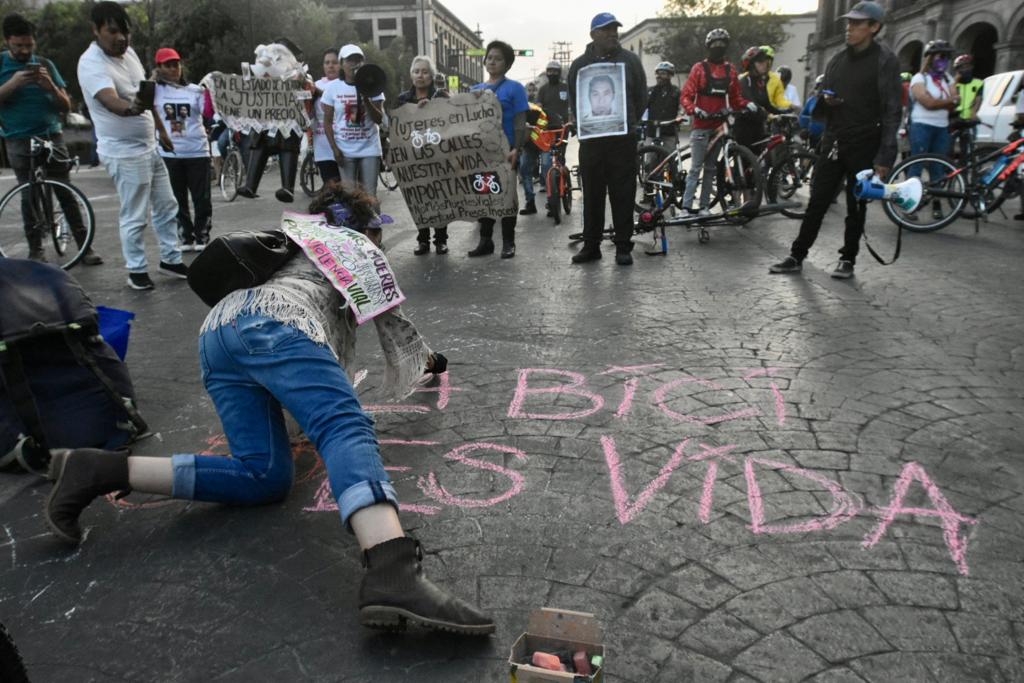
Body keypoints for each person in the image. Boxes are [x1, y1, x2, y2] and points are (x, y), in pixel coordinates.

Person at [42, 181, 495, 637]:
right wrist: (432, 361)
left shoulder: (297, 239)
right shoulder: (355, 246)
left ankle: (99, 470)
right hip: (277, 324)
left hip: (220, 332)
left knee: (264, 475)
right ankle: (393, 571)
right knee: (343, 424)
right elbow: (397, 327)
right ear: (368, 229)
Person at [769, 0, 901, 280]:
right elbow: (820, 102)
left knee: (856, 205)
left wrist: (885, 157)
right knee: (817, 200)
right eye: (848, 22)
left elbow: (892, 110)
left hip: (866, 142)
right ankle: (797, 255)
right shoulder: (837, 60)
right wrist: (827, 101)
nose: (849, 28)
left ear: (874, 27)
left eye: (857, 23)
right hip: (834, 141)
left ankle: (847, 260)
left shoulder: (886, 61)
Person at [77, 1, 186, 291]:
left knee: (167, 205)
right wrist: (132, 109)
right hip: (123, 151)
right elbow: (111, 100)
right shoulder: (91, 63)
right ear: (96, 31)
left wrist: (161, 130)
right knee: (135, 214)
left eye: (125, 32)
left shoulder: (130, 55)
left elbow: (145, 98)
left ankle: (171, 258)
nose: (121, 38)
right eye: (112, 32)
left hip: (149, 145)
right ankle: (136, 270)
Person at [0, 14, 102, 265]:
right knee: (29, 194)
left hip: (51, 135)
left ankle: (84, 247)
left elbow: (66, 105)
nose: (25, 51)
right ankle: (36, 249)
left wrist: (50, 87)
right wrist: (13, 83)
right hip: (18, 138)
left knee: (64, 190)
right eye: (19, 46)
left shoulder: (45, 64)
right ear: (6, 42)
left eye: (29, 45)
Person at [567, 12, 646, 266]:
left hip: (622, 141)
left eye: (615, 29)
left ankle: (623, 246)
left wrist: (626, 121)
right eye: (606, 29)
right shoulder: (579, 65)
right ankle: (592, 246)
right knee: (592, 194)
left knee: (623, 193)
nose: (613, 33)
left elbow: (642, 97)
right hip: (591, 142)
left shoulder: (630, 61)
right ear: (593, 35)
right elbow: (574, 98)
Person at [680, 28, 753, 216]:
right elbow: (686, 95)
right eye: (714, 45)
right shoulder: (699, 69)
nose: (718, 48)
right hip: (701, 126)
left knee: (711, 168)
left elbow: (736, 98)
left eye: (722, 45)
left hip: (719, 126)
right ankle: (686, 208)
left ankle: (704, 206)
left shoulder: (730, 70)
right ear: (708, 47)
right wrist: (694, 110)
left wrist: (748, 105)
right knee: (696, 167)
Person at [467, 40, 528, 259]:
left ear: (508, 64)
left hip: (507, 151)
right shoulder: (475, 90)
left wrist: (517, 149)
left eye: (498, 58)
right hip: (483, 153)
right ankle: (486, 241)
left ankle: (509, 242)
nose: (492, 62)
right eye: (490, 57)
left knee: (507, 197)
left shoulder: (515, 88)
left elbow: (521, 121)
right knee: (484, 196)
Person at [152, 47, 213, 252]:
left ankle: (202, 235)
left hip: (197, 150)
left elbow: (208, 114)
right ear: (159, 67)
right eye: (168, 65)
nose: (173, 68)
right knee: (176, 198)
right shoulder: (154, 91)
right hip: (169, 153)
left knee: (201, 197)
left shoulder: (195, 90)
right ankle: (186, 236)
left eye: (176, 64)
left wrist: (210, 94)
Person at [236, 37, 309, 203]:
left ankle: (287, 187)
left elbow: (305, 85)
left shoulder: (297, 71)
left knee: (287, 147)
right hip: (266, 119)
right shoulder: (263, 70)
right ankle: (250, 184)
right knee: (259, 145)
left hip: (288, 120)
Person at [396, 55, 449, 254]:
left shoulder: (442, 97)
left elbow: (453, 122)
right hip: (413, 157)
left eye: (425, 71)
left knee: (440, 199)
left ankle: (441, 239)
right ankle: (423, 239)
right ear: (411, 75)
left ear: (432, 76)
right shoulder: (403, 99)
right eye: (417, 71)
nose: (420, 75)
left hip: (438, 157)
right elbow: (397, 126)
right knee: (419, 200)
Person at [323, 44, 385, 200]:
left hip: (369, 147)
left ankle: (372, 223)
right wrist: (335, 149)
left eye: (358, 60)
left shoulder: (374, 85)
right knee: (349, 195)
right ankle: (353, 224)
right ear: (342, 64)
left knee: (370, 195)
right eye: (350, 60)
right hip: (345, 149)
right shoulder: (333, 88)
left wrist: (366, 97)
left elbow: (379, 119)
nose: (354, 64)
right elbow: (327, 122)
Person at [908, 39, 957, 220]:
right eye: (940, 56)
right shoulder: (919, 78)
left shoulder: (948, 79)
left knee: (938, 169)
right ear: (930, 58)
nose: (944, 60)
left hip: (941, 128)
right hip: (921, 125)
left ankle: (936, 204)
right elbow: (927, 103)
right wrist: (948, 102)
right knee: (916, 166)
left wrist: (941, 103)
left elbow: (955, 103)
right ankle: (910, 206)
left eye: (946, 57)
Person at [735, 46, 786, 151]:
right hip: (744, 127)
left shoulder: (760, 83)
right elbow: (751, 102)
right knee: (746, 163)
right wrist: (768, 115)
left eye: (765, 61)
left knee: (760, 161)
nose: (765, 64)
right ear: (752, 65)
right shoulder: (744, 81)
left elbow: (767, 104)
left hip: (758, 127)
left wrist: (783, 113)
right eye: (760, 62)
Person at [536, 59, 569, 205]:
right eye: (549, 71)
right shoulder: (543, 90)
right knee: (547, 161)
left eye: (555, 71)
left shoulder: (566, 88)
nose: (552, 73)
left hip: (563, 127)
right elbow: (538, 107)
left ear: (559, 72)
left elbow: (572, 105)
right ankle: (551, 192)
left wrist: (572, 122)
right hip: (547, 129)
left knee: (560, 157)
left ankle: (563, 181)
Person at [311, 48, 341, 185]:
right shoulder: (314, 85)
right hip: (323, 149)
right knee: (331, 190)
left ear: (341, 64)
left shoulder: (345, 84)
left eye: (334, 62)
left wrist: (318, 92)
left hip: (345, 148)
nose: (330, 66)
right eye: (327, 62)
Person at [518, 100, 548, 217]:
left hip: (544, 142)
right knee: (525, 168)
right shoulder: (516, 112)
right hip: (529, 144)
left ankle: (552, 202)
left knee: (547, 167)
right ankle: (530, 202)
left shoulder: (536, 112)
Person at [644, 61, 682, 147]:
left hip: (669, 132)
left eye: (663, 73)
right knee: (649, 157)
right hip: (652, 131)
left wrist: (680, 116)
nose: (659, 76)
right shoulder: (650, 91)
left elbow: (681, 107)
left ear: (670, 75)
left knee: (669, 157)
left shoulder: (676, 92)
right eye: (657, 74)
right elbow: (642, 106)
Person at [798, 74, 825, 150]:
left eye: (822, 86)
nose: (819, 89)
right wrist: (804, 127)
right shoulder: (812, 100)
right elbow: (802, 115)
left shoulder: (831, 101)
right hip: (812, 137)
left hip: (826, 137)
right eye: (818, 86)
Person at [952, 54, 983, 122]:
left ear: (972, 67)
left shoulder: (978, 83)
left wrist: (973, 112)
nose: (965, 69)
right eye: (961, 67)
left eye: (967, 66)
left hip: (970, 119)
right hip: (954, 118)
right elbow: (952, 97)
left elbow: (978, 99)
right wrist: (955, 82)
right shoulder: (953, 83)